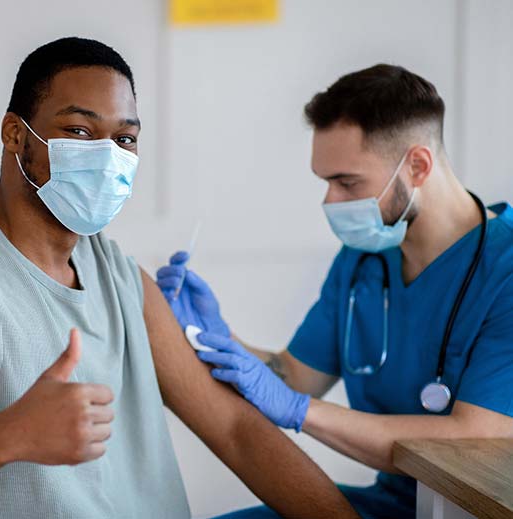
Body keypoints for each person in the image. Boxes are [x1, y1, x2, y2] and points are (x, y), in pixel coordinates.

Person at [0, 37, 357, 519]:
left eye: (124, 139)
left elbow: (234, 430)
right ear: (14, 134)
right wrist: (5, 437)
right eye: (78, 131)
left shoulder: (114, 271)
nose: (107, 155)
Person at [157, 64, 513, 519]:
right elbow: (292, 376)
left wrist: (299, 411)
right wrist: (209, 335)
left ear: (418, 166)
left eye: (347, 183)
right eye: (325, 182)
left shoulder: (504, 272)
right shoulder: (364, 259)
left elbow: (475, 435)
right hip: (391, 504)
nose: (330, 202)